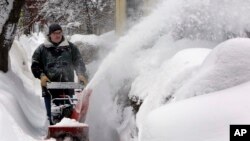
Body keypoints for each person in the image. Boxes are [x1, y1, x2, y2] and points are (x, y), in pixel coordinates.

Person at [31, 23, 88, 124]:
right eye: (54, 33)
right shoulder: (42, 49)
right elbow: (35, 65)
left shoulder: (71, 48)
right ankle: (53, 136)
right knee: (52, 118)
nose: (58, 35)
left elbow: (78, 62)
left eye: (59, 32)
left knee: (70, 118)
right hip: (49, 90)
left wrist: (81, 74)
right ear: (49, 35)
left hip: (68, 89)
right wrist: (42, 76)